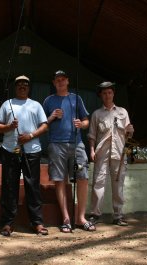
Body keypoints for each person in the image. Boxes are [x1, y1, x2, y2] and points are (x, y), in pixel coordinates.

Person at [0, 75, 49, 236]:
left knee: (33, 187)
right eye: (19, 84)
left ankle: (37, 223)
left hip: (32, 150)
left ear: (29, 87)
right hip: (10, 150)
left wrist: (30, 136)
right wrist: (9, 127)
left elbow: (44, 126)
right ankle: (7, 223)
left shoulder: (36, 105)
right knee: (9, 186)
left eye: (25, 84)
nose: (22, 86)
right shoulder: (7, 104)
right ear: (15, 87)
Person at [43, 70, 95, 233]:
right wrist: (52, 116)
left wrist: (82, 124)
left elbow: (87, 120)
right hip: (56, 145)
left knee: (83, 178)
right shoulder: (48, 100)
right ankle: (66, 218)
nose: (60, 82)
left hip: (77, 143)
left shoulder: (76, 98)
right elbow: (42, 124)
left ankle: (80, 217)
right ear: (54, 83)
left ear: (67, 81)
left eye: (63, 79)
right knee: (60, 180)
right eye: (57, 80)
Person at [88, 81, 134, 226]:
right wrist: (91, 150)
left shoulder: (123, 112)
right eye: (104, 93)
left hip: (119, 153)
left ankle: (118, 216)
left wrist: (130, 131)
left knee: (118, 184)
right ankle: (95, 214)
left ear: (113, 94)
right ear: (101, 96)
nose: (107, 95)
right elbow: (92, 136)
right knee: (98, 183)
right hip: (101, 152)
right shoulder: (96, 114)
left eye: (109, 92)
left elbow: (129, 135)